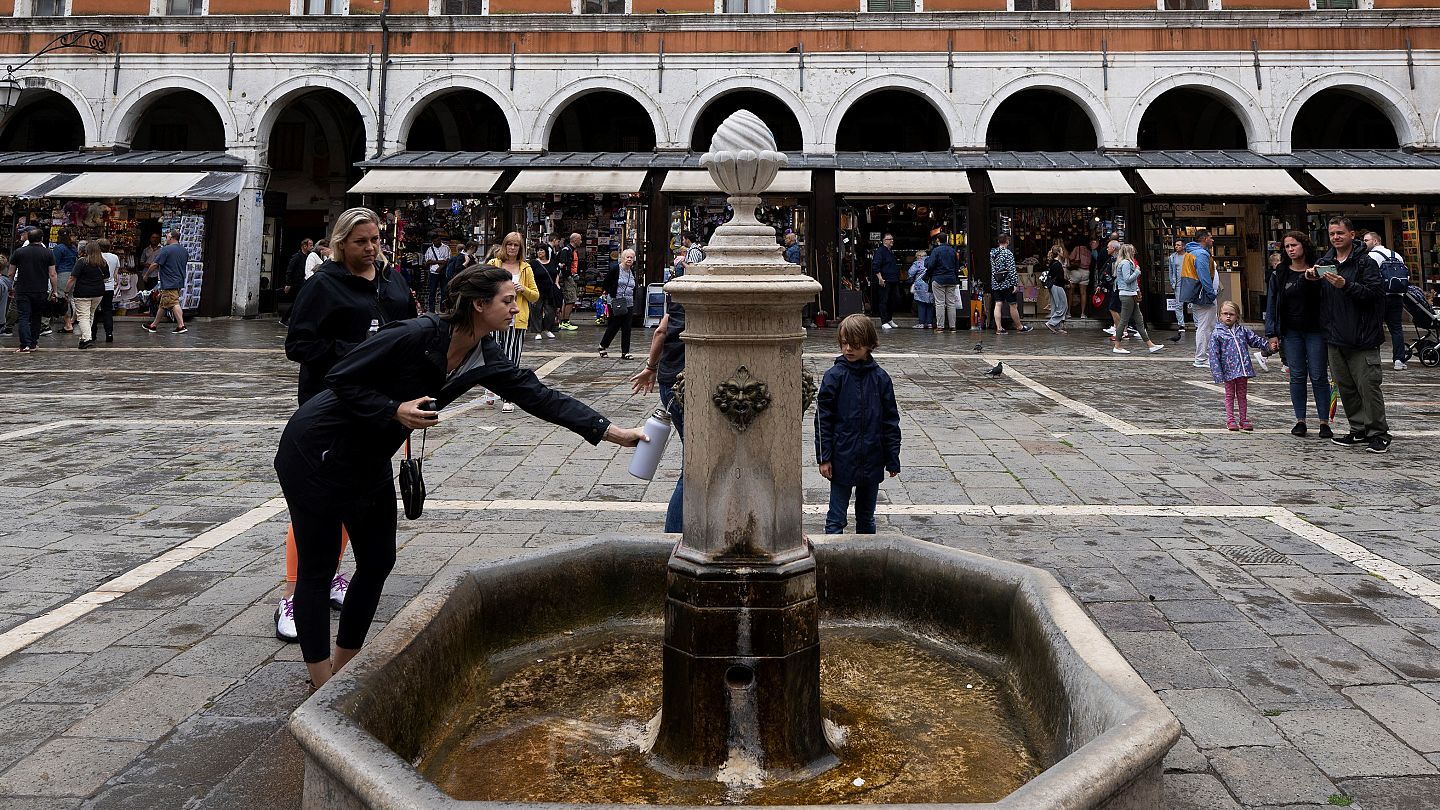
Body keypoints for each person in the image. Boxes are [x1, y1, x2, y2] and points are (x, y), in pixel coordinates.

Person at [274, 264, 646, 689]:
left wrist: (613, 433)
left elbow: (539, 396)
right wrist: (393, 409)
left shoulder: (485, 354)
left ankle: (345, 669)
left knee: (378, 560)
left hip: (369, 456)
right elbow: (338, 377)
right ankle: (321, 684)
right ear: (479, 304)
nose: (515, 307)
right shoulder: (414, 333)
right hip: (315, 452)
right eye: (508, 300)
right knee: (318, 570)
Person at [277, 207, 419, 643]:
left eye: (375, 239)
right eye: (362, 242)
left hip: (380, 408)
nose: (372, 248)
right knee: (318, 499)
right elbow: (298, 344)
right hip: (330, 408)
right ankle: (295, 592)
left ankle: (333, 573)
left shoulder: (392, 280)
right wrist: (354, 351)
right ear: (340, 244)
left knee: (355, 493)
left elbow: (406, 328)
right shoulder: (322, 285)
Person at [815, 314, 901, 535]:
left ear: (869, 344)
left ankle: (866, 564)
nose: (848, 349)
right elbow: (823, 420)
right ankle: (831, 564)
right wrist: (825, 458)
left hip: (872, 457)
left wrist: (892, 458)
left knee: (866, 518)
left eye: (855, 345)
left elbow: (890, 421)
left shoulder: (881, 379)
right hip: (842, 458)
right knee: (835, 518)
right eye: (844, 343)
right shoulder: (834, 377)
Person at [1314, 217, 1390, 453]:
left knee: (1368, 386)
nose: (1336, 237)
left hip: (1362, 335)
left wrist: (1346, 285)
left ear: (1352, 235)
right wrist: (1309, 279)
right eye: (1332, 234)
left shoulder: (1365, 263)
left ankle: (1378, 433)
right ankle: (1358, 429)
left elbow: (1376, 295)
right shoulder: (1325, 262)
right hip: (1335, 335)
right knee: (1346, 386)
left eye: (1340, 233)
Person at [1264, 230, 1332, 439]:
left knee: (1319, 376)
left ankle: (1324, 422)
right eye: (1287, 247)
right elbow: (1272, 301)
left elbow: (1330, 297)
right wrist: (1272, 332)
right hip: (1291, 331)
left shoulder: (1318, 268)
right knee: (1297, 376)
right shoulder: (1281, 272)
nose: (1291, 250)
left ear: (1304, 245)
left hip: (1316, 330)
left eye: (1294, 245)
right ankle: (1300, 420)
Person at [631, 291, 687, 533]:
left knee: (694, 459)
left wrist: (651, 367)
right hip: (685, 385)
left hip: (668, 382)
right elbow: (660, 331)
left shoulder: (680, 294)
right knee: (696, 463)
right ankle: (674, 531)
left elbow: (661, 331)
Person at [486, 232, 541, 412]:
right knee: (492, 354)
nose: (512, 248)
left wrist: (522, 289)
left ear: (520, 248)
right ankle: (491, 385)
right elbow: (482, 284)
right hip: (495, 317)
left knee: (512, 357)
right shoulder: (494, 264)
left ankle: (507, 396)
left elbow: (535, 296)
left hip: (516, 319)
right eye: (509, 244)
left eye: (515, 245)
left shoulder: (526, 268)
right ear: (504, 245)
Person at [1208, 301, 1269, 431]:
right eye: (1225, 314)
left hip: (1243, 369)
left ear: (1237, 316)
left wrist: (1268, 345)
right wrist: (1217, 373)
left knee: (1242, 395)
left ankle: (1243, 419)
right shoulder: (1217, 333)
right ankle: (1230, 419)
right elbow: (1214, 355)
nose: (1228, 317)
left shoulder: (1242, 331)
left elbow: (1255, 340)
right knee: (1229, 395)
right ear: (1220, 316)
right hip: (1228, 371)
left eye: (1231, 314)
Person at [1362, 231, 1409, 371]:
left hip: (1380, 297)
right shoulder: (1397, 255)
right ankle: (1399, 360)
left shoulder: (1371, 256)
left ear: (1376, 241)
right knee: (1396, 329)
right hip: (1397, 295)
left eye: (1366, 240)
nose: (1364, 243)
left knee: (1374, 327)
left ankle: (1373, 359)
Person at [1110, 244, 1165, 355]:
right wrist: (1137, 272)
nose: (1134, 253)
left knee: (1139, 320)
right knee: (1124, 321)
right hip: (1127, 295)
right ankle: (1117, 346)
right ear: (1129, 252)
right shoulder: (1126, 263)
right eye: (1133, 251)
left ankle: (1150, 345)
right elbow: (1127, 279)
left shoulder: (1125, 262)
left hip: (1130, 294)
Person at [1178, 230, 1219, 368]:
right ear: (1205, 239)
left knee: (1208, 326)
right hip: (1204, 295)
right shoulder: (1201, 254)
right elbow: (1204, 276)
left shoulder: (1192, 252)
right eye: (1211, 238)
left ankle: (1208, 355)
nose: (1212, 240)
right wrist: (1211, 293)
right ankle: (1201, 358)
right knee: (1205, 327)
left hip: (1201, 294)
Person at [11, 228, 56, 353]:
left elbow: (11, 272)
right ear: (41, 239)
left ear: (28, 238)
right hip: (40, 290)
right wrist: (55, 290)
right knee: (36, 317)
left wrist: (11, 286)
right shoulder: (48, 253)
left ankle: (24, 344)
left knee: (24, 317)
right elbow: (52, 274)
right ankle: (33, 343)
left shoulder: (19, 252)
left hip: (22, 288)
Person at [144, 230, 189, 334]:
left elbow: (155, 264)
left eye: (167, 236)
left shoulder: (166, 249)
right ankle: (153, 325)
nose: (166, 238)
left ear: (172, 238)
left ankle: (181, 325)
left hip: (169, 281)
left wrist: (147, 274)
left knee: (173, 302)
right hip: (178, 279)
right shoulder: (184, 250)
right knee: (163, 304)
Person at [66, 241, 108, 349]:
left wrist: (66, 291)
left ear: (87, 250)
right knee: (90, 314)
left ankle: (87, 338)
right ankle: (85, 338)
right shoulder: (103, 262)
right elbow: (106, 277)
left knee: (83, 316)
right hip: (98, 293)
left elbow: (72, 278)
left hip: (82, 293)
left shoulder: (82, 262)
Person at [598, 247, 638, 359]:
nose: (629, 259)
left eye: (631, 257)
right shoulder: (616, 269)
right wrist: (608, 294)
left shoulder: (632, 271)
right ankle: (602, 346)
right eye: (627, 257)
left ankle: (625, 352)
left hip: (628, 302)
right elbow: (606, 282)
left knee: (627, 327)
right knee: (614, 325)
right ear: (623, 258)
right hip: (615, 301)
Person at [989, 234, 1031, 335]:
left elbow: (993, 268)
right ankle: (1019, 326)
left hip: (996, 282)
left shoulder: (992, 253)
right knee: (1013, 304)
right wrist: (1015, 283)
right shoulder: (1008, 253)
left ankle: (999, 328)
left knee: (998, 304)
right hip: (1007, 283)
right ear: (1007, 241)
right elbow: (1012, 270)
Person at [927, 232, 961, 332]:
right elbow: (956, 266)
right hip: (951, 279)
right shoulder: (952, 251)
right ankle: (952, 326)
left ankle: (940, 326)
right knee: (951, 303)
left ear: (938, 240)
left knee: (939, 303)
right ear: (947, 239)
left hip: (938, 279)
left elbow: (931, 265)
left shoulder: (936, 251)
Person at [871, 233, 900, 329]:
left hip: (893, 280)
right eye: (889, 239)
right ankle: (884, 322)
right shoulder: (880, 251)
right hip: (885, 280)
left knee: (894, 300)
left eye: (892, 239)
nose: (892, 240)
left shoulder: (890, 252)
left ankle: (889, 319)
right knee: (884, 300)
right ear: (884, 241)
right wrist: (880, 278)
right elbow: (876, 265)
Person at [51, 229, 77, 334]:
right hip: (72, 275)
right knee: (70, 298)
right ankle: (72, 320)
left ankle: (68, 324)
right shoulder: (73, 248)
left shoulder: (58, 248)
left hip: (62, 275)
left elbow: (54, 264)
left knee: (63, 300)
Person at [555, 232, 582, 330]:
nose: (581, 241)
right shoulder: (567, 250)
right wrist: (569, 276)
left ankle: (564, 321)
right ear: (574, 240)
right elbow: (563, 265)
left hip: (569, 277)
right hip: (567, 278)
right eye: (579, 239)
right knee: (570, 299)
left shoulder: (572, 250)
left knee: (567, 300)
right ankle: (565, 321)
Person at [93, 238, 118, 344]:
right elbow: (115, 274)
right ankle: (109, 333)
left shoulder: (95, 257)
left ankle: (93, 333)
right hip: (109, 287)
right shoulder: (115, 257)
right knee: (107, 310)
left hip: (96, 286)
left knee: (93, 310)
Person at [423, 233, 451, 314]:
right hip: (433, 273)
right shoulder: (429, 249)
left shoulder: (446, 248)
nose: (437, 242)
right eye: (435, 241)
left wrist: (439, 267)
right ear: (433, 242)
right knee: (432, 291)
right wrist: (439, 262)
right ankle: (431, 309)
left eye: (438, 240)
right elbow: (428, 261)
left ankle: (443, 308)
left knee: (444, 291)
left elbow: (447, 260)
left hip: (443, 272)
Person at [1043, 244, 1069, 335]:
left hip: (1053, 286)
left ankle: (1056, 327)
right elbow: (1059, 278)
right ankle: (1052, 323)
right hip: (1057, 286)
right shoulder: (1057, 264)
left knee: (1055, 306)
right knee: (1063, 305)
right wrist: (1067, 282)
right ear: (1058, 252)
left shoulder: (1053, 263)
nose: (1063, 252)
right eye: (1061, 251)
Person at [1069, 238, 1096, 317]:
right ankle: (1083, 313)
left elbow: (1071, 258)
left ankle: (1068, 312)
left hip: (1077, 271)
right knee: (1083, 293)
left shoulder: (1077, 248)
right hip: (1086, 272)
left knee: (1071, 292)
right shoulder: (1089, 250)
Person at [1167, 239, 1188, 333]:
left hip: (1188, 283)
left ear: (1183, 246)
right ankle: (1181, 325)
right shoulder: (1172, 257)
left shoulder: (1188, 256)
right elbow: (1171, 271)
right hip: (1178, 284)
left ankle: (1197, 324)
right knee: (1179, 305)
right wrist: (1172, 282)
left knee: (1193, 305)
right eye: (1175, 245)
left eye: (1179, 245)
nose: (1176, 246)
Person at [909, 250, 933, 329]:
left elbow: (911, 272)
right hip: (930, 285)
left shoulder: (917, 263)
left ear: (919, 256)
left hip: (920, 286)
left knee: (921, 304)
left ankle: (921, 323)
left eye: (917, 257)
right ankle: (930, 323)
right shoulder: (931, 261)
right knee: (930, 304)